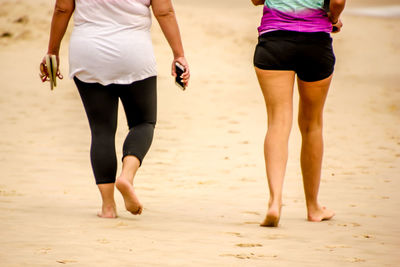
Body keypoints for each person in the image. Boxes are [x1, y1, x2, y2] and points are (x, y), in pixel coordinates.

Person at [39, 0, 190, 218]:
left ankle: (108, 207)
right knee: (143, 122)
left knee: (101, 130)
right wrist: (179, 54)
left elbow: (62, 8)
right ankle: (126, 177)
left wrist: (52, 51)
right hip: (134, 52)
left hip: (88, 51)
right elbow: (164, 12)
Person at [251, 0, 345, 226]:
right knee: (312, 125)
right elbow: (338, 1)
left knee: (277, 122)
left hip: (274, 40)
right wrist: (333, 19)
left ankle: (275, 201)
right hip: (315, 42)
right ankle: (313, 207)